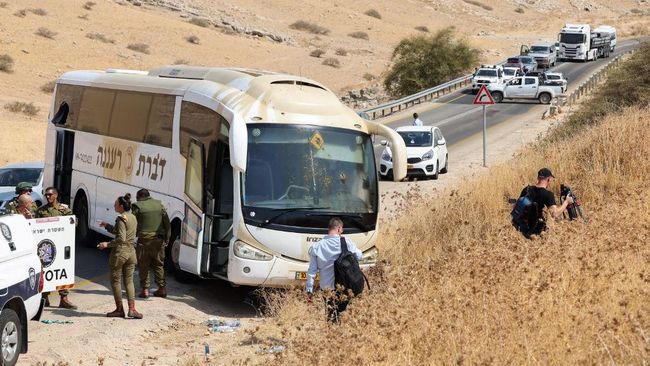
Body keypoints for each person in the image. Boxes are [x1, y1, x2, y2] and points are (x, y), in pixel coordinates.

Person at [306, 217, 362, 323]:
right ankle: (338, 334)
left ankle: (331, 332)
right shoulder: (347, 243)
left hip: (327, 288)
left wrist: (309, 290)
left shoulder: (317, 246)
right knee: (342, 314)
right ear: (339, 228)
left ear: (329, 228)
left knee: (331, 314)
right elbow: (359, 256)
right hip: (345, 287)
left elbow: (312, 271)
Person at [97, 194, 143, 319]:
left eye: (116, 204)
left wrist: (107, 244)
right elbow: (125, 233)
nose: (114, 205)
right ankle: (132, 309)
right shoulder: (132, 217)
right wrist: (107, 225)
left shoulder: (121, 218)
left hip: (120, 253)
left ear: (121, 206)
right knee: (129, 281)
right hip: (131, 252)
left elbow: (121, 238)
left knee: (116, 281)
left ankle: (119, 309)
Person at [36, 187, 77, 310]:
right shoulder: (41, 210)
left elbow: (73, 223)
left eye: (50, 195)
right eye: (46, 195)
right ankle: (44, 298)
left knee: (63, 270)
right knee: (46, 270)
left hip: (61, 244)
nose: (48, 197)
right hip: (46, 246)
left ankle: (63, 299)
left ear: (56, 195)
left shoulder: (64, 209)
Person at [132, 189, 170, 299]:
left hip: (144, 241)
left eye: (137, 197)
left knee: (144, 265)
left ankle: (145, 290)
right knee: (158, 264)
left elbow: (132, 222)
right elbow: (167, 224)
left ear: (140, 196)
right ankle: (162, 289)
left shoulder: (137, 206)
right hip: (158, 241)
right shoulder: (159, 205)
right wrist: (167, 239)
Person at [514, 168, 573, 237]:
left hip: (522, 228)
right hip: (537, 231)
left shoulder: (527, 189)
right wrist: (566, 202)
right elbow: (555, 214)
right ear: (549, 179)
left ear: (538, 178)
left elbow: (517, 205)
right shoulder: (547, 194)